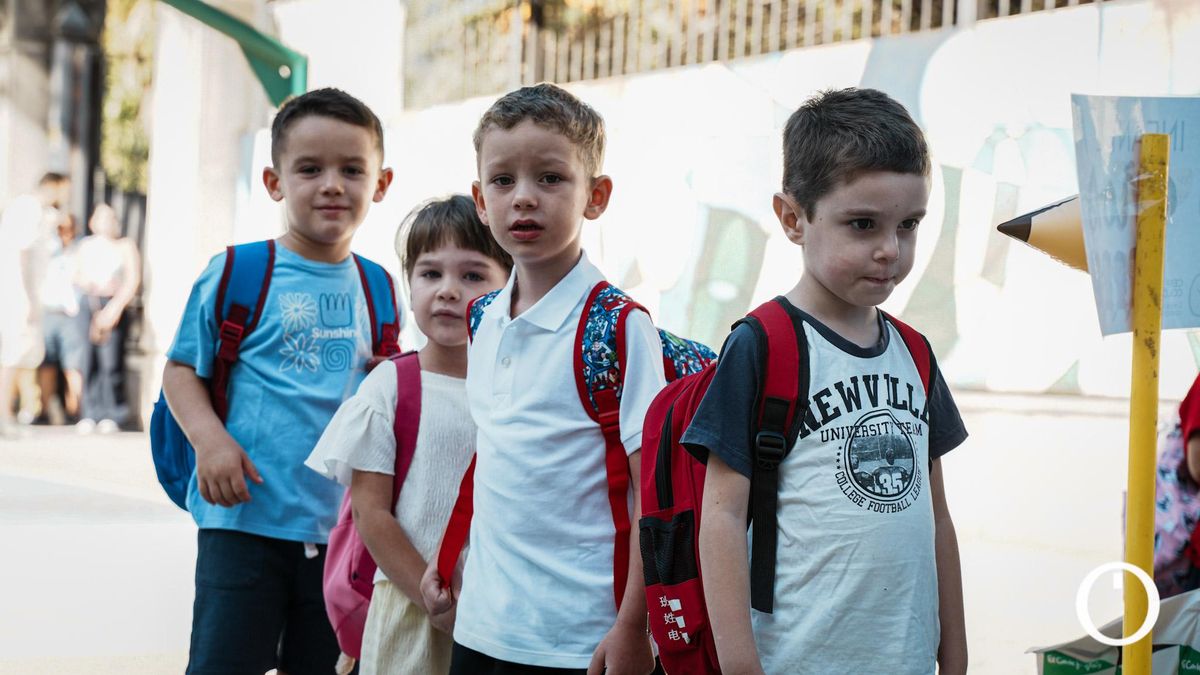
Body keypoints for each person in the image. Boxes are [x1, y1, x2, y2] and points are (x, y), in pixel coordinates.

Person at [683, 88, 969, 674]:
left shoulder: (914, 352)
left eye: (908, 225)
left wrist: (955, 654)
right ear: (793, 218)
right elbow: (721, 518)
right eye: (862, 225)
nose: (890, 250)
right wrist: (740, 667)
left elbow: (936, 518)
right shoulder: (764, 344)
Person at [420, 83, 664, 675]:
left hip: (579, 643)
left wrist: (634, 628)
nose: (523, 198)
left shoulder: (619, 328)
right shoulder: (482, 319)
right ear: (480, 200)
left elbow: (652, 494)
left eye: (550, 179)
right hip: (481, 627)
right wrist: (450, 556)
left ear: (596, 195)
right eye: (503, 181)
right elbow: (495, 453)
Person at [161, 88, 394, 675]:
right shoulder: (238, 270)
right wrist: (210, 442)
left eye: (352, 169)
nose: (332, 185)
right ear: (274, 181)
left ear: (381, 183)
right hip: (243, 524)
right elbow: (182, 368)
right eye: (310, 169)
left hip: (341, 530)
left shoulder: (381, 286)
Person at [306, 195, 512, 674]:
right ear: (410, 283)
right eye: (430, 273)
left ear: (510, 286)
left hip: (499, 617)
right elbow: (371, 513)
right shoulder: (390, 385)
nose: (448, 291)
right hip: (409, 606)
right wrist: (431, 596)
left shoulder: (517, 389)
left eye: (473, 276)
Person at [0, 172, 69, 437]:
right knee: (12, 355)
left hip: (22, 293)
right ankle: (4, 415)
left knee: (17, 354)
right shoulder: (28, 209)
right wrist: (28, 298)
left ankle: (7, 414)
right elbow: (23, 255)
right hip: (19, 294)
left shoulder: (35, 210)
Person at [73, 204, 140, 433]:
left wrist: (115, 307)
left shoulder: (125, 246)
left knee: (111, 362)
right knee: (88, 359)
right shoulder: (85, 246)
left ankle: (113, 412)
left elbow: (133, 279)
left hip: (114, 303)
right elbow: (76, 274)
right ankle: (89, 412)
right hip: (90, 303)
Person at [37, 211, 84, 425]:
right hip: (49, 311)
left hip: (70, 313)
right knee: (46, 361)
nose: (63, 233)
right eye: (59, 228)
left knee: (72, 364)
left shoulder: (80, 252)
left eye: (66, 228)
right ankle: (43, 409)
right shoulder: (48, 250)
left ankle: (75, 410)